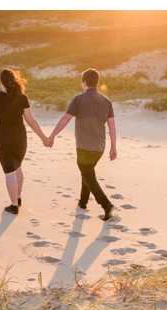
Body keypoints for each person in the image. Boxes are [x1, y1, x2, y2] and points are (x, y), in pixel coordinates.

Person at [47, 68, 117, 221]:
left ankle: (106, 205)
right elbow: (112, 126)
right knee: (87, 172)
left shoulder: (78, 99)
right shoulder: (106, 101)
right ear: (97, 82)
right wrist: (113, 147)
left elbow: (65, 119)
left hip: (84, 147)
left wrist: (52, 135)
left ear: (84, 82)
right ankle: (83, 202)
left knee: (88, 175)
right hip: (100, 147)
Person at [0, 69, 50, 214]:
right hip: (20, 138)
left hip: (2, 138)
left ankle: (14, 206)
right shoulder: (22, 97)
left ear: (1, 81)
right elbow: (31, 121)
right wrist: (44, 138)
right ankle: (18, 197)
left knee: (9, 172)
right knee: (17, 167)